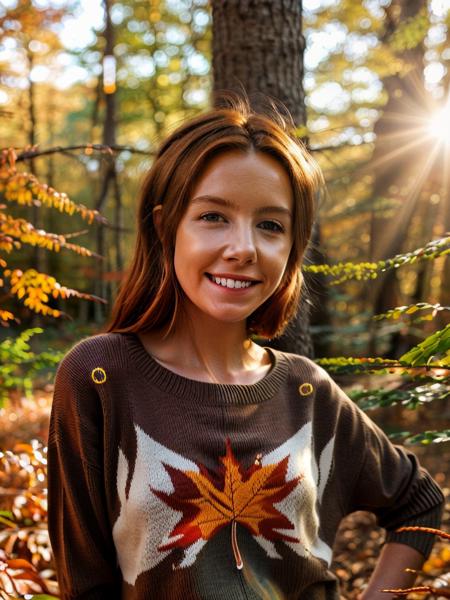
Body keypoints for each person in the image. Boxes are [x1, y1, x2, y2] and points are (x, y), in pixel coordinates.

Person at [47, 95, 444, 600]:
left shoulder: (307, 391)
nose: (244, 248)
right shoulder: (99, 377)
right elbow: (84, 585)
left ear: (292, 247)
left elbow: (419, 502)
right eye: (214, 216)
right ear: (167, 226)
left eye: (271, 225)